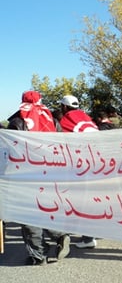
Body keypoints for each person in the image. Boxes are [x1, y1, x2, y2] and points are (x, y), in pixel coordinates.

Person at [7, 90, 71, 265]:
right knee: (46, 208)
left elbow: (11, 151)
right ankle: (59, 235)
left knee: (27, 214)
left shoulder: (17, 122)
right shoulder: (52, 120)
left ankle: (38, 255)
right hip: (50, 173)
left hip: (26, 174)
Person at [59, 94, 99, 249]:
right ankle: (89, 234)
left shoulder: (66, 120)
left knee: (77, 202)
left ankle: (86, 237)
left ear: (64, 107)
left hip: (79, 168)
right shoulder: (87, 118)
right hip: (96, 165)